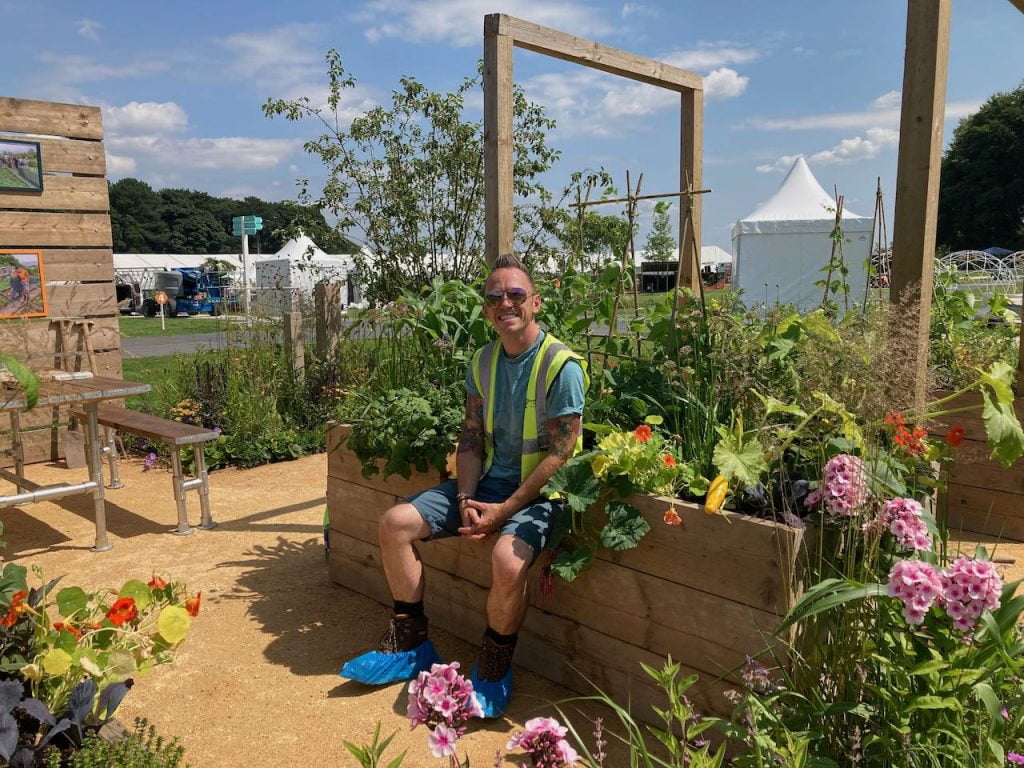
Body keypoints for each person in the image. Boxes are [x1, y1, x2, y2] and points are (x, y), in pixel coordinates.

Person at [340, 253, 588, 717]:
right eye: (494, 297)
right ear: (486, 308)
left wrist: (505, 510)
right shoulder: (484, 360)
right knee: (395, 523)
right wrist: (466, 499)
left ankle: (494, 666)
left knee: (506, 562)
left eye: (515, 295)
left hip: (543, 495)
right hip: (488, 485)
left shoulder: (561, 366)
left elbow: (561, 455)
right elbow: (471, 435)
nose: (505, 303)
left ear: (535, 302)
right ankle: (410, 645)